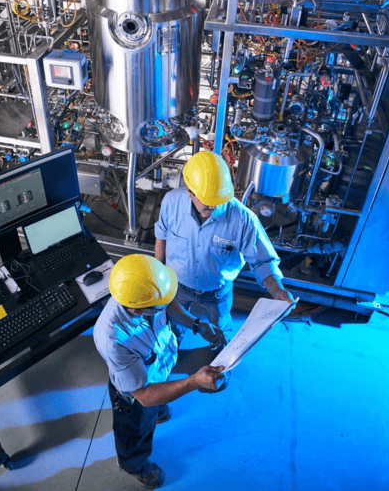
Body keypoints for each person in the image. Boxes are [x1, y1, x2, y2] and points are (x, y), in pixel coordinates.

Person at [93, 253, 226, 489]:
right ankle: (134, 465)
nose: (163, 305)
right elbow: (144, 396)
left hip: (158, 365)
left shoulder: (140, 291)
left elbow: (167, 304)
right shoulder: (113, 339)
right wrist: (194, 382)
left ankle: (159, 410)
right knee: (136, 430)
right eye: (157, 306)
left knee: (155, 407)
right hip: (136, 395)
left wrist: (195, 324)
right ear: (136, 310)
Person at [154, 150, 294, 343]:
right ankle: (171, 349)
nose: (214, 207)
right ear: (189, 191)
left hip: (216, 293)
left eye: (218, 201)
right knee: (173, 325)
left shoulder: (243, 219)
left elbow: (262, 262)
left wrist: (277, 291)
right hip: (178, 286)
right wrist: (158, 279)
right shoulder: (172, 202)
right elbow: (161, 237)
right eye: (207, 202)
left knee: (221, 331)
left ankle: (221, 359)